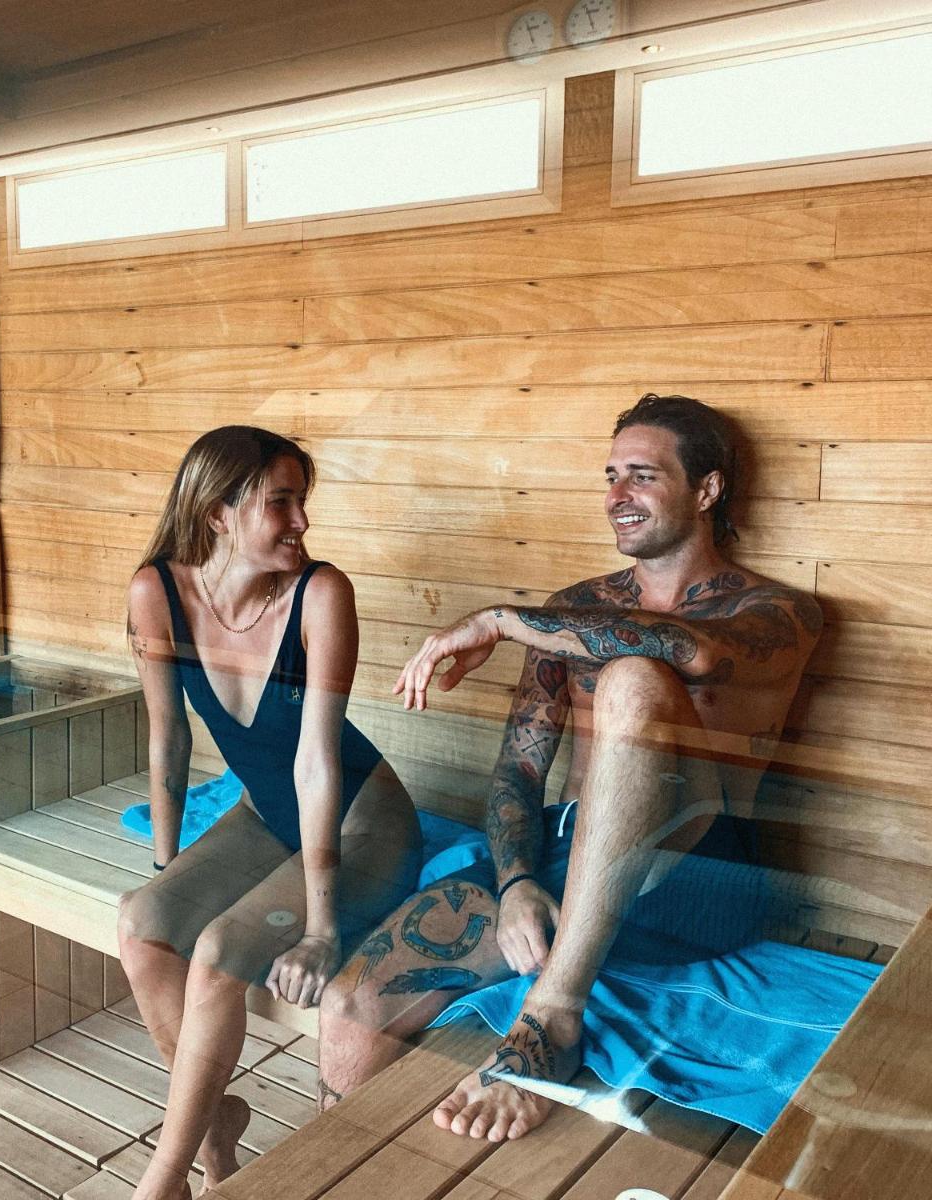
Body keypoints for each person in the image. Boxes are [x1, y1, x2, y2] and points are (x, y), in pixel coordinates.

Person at [317, 393, 824, 1142]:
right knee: (351, 1003)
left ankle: (551, 1017)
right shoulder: (573, 612)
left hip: (700, 873)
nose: (618, 495)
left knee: (633, 679)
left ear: (707, 489)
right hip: (565, 850)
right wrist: (516, 881)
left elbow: (693, 652)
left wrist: (498, 620)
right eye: (611, 476)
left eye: (643, 475)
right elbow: (518, 774)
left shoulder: (777, 613)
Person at [118, 425, 421, 1199]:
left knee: (219, 950)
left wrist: (321, 930)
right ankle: (217, 1136)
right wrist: (168, 869)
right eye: (280, 503)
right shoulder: (157, 593)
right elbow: (167, 738)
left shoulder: (321, 595)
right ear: (217, 513)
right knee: (143, 925)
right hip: (263, 815)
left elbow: (317, 763)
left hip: (364, 824)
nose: (302, 521)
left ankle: (166, 1179)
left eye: (302, 501)